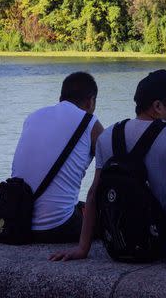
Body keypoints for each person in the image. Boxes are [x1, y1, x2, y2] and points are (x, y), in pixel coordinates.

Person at [51, 69, 166, 272]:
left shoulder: (108, 136)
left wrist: (82, 248)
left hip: (119, 244)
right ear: (157, 106)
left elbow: (94, 194)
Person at [10, 71, 104, 242]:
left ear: (61, 97)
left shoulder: (33, 117)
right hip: (57, 226)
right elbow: (113, 167)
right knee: (109, 217)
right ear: (91, 101)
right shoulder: (90, 123)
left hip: (18, 219)